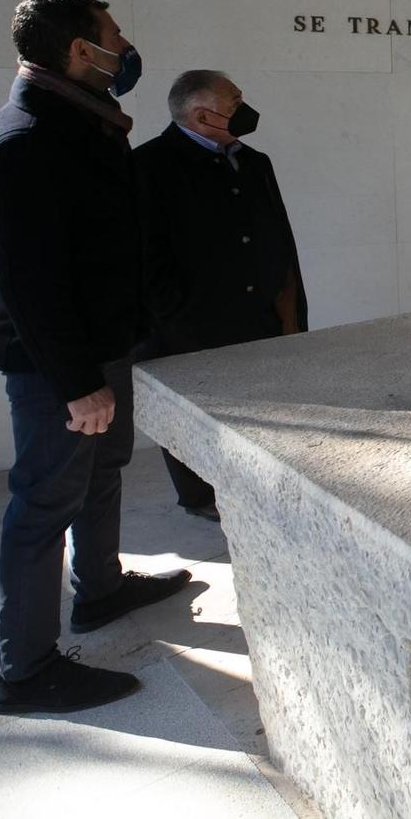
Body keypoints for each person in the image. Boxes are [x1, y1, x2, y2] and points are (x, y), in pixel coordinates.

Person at [0, 0, 192, 716]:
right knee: (42, 505)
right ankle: (26, 671)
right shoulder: (26, 139)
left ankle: (99, 589)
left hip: (102, 350)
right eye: (114, 36)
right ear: (78, 51)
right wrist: (76, 384)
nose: (126, 45)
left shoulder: (84, 125)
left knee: (102, 472)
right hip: (58, 367)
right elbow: (30, 283)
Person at [135, 71, 307, 519]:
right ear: (200, 113)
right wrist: (175, 316)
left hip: (258, 316)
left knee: (265, 412)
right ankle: (200, 496)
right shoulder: (148, 166)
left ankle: (254, 485)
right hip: (190, 326)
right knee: (194, 420)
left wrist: (289, 308)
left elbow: (277, 236)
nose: (244, 108)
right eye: (234, 101)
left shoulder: (254, 161)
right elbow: (146, 255)